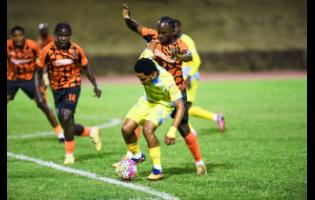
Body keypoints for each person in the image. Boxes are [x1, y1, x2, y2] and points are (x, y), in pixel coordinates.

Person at [121, 4, 207, 175]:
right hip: (156, 87)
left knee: (183, 128)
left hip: (175, 89)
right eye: (158, 32)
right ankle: (134, 154)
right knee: (139, 121)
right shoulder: (154, 38)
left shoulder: (179, 43)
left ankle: (199, 162)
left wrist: (178, 56)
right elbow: (137, 28)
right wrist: (127, 19)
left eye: (163, 33)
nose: (159, 35)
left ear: (172, 32)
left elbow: (188, 56)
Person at [35, 23, 102, 165]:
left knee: (66, 115)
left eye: (66, 35)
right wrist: (39, 93)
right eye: (61, 35)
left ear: (70, 36)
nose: (64, 38)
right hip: (56, 89)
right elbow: (38, 72)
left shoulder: (76, 50)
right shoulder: (47, 51)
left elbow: (86, 68)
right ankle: (90, 131)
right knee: (67, 124)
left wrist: (95, 85)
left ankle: (69, 155)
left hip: (73, 86)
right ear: (56, 36)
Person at [122, 57, 185, 180]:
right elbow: (150, 45)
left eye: (143, 79)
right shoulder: (146, 60)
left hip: (163, 104)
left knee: (147, 129)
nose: (141, 82)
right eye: (139, 79)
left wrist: (172, 130)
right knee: (126, 129)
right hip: (147, 101)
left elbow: (181, 106)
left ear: (153, 74)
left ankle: (157, 170)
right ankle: (137, 155)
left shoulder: (167, 81)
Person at [7, 25, 65, 142]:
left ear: (25, 36)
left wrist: (43, 77)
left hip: (30, 79)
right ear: (12, 37)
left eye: (20, 35)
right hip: (12, 79)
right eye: (15, 36)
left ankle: (60, 133)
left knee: (43, 105)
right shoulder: (8, 46)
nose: (18, 38)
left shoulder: (33, 46)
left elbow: (41, 61)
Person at [173, 19, 225, 134]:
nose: (174, 29)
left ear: (180, 27)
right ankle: (217, 118)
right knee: (184, 108)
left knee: (182, 107)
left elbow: (196, 60)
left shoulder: (186, 40)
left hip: (190, 78)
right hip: (182, 78)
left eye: (176, 26)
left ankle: (190, 132)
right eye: (172, 27)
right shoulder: (175, 41)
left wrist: (189, 76)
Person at [37, 22, 55, 110]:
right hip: (44, 67)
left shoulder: (50, 40)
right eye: (41, 30)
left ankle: (56, 100)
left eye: (44, 30)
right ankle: (46, 103)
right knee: (43, 84)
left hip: (51, 66)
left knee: (52, 85)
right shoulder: (40, 41)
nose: (42, 32)